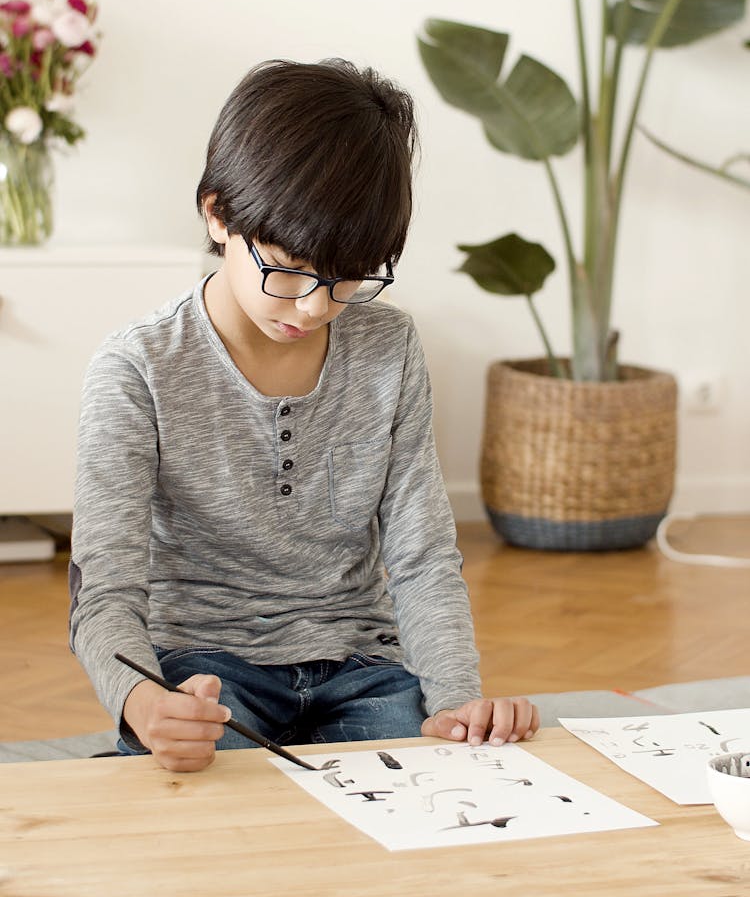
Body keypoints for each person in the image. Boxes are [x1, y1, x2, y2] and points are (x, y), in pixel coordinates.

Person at [69, 58, 540, 772]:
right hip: (207, 666)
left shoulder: (389, 346)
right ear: (217, 212)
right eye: (287, 267)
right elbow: (104, 585)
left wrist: (453, 700)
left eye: (350, 275)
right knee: (210, 807)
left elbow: (421, 554)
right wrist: (143, 700)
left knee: (441, 783)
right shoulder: (137, 367)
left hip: (360, 664)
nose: (316, 305)